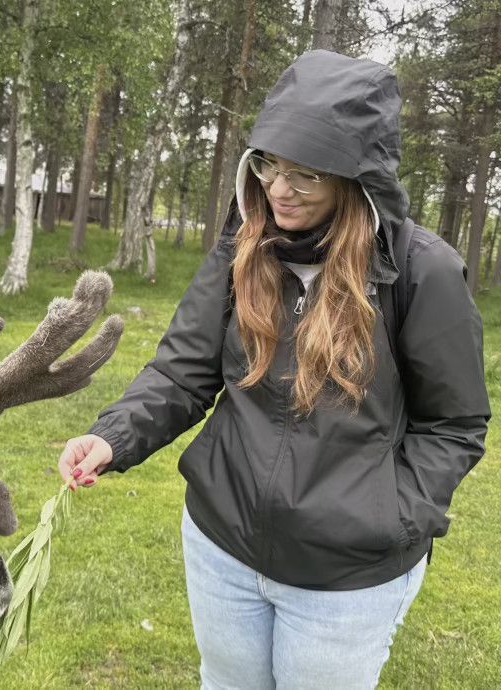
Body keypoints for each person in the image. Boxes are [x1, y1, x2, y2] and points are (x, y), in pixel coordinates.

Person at [57, 50, 491, 689]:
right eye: (267, 165)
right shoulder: (242, 249)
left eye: (307, 174)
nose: (279, 190)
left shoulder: (422, 273)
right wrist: (114, 436)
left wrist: (389, 516)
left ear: (355, 178)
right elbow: (183, 373)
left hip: (344, 579)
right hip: (221, 546)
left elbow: (455, 425)